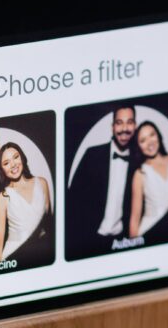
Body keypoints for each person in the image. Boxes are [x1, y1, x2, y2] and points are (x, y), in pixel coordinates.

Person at [65, 105, 137, 259]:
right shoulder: (92, 154)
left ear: (135, 126)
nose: (124, 128)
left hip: (123, 242)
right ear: (112, 127)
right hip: (89, 240)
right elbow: (72, 200)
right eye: (119, 122)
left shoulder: (139, 161)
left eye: (129, 122)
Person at [0, 142, 52, 266]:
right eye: (6, 163)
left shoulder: (42, 183)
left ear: (22, 157)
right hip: (15, 258)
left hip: (42, 254)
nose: (13, 164)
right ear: (2, 169)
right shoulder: (3, 197)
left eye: (16, 157)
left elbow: (49, 226)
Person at [129, 121, 168, 243]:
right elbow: (134, 220)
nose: (150, 142)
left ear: (158, 136)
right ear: (138, 146)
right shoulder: (140, 173)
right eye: (143, 140)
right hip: (151, 232)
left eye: (152, 135)